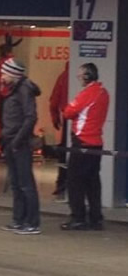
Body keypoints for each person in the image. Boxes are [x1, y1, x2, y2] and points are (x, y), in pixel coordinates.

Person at [61, 63, 109, 231]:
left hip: (82, 142)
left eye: (80, 75)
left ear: (87, 76)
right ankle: (96, 218)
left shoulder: (88, 93)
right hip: (97, 143)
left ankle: (78, 217)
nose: (79, 78)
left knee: (74, 181)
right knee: (93, 182)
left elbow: (68, 112)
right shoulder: (103, 92)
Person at [0, 58, 42, 235]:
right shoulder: (14, 89)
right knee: (17, 183)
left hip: (19, 143)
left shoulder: (24, 90)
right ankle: (19, 219)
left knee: (25, 183)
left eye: (4, 73)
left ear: (13, 74)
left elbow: (30, 117)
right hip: (11, 141)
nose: (1, 76)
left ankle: (31, 222)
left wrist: (16, 141)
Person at [49, 62, 69, 201]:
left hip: (67, 116)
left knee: (64, 151)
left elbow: (54, 99)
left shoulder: (64, 75)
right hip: (78, 119)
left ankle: (61, 183)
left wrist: (55, 117)